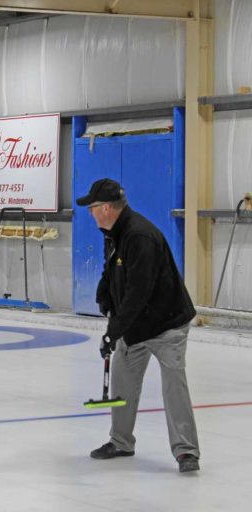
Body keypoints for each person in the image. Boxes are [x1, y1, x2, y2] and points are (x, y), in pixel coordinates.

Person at [76, 178, 200, 473]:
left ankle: (186, 452)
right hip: (136, 327)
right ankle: (121, 441)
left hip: (167, 325)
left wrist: (113, 332)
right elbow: (113, 270)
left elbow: (138, 293)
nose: (90, 213)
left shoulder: (140, 237)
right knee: (123, 381)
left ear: (106, 208)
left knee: (174, 386)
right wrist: (104, 292)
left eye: (92, 208)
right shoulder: (114, 232)